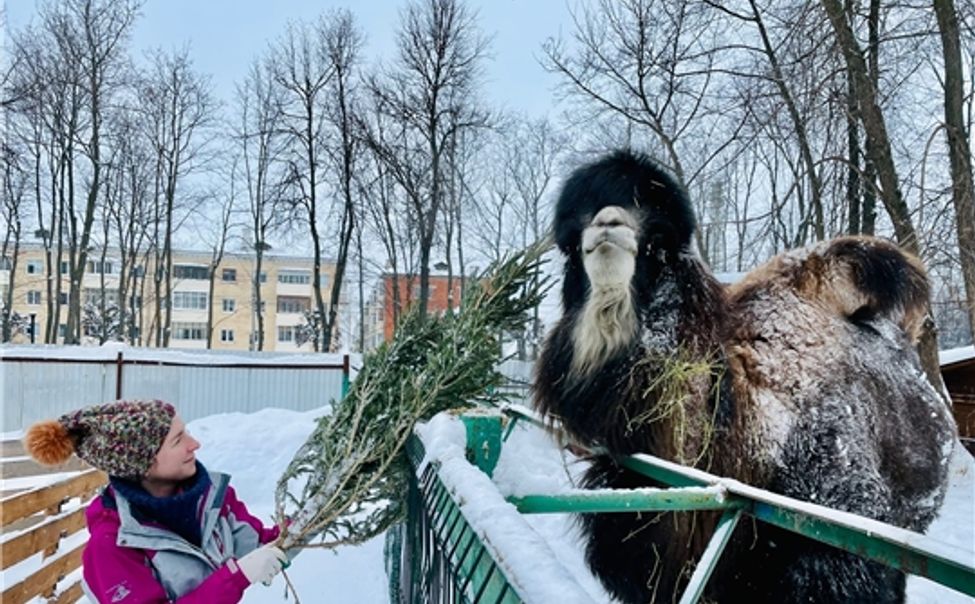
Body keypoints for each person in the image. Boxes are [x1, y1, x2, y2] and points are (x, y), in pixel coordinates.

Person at [24, 399, 288, 603]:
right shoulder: (112, 545)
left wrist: (316, 512)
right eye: (177, 440)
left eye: (186, 432)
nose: (194, 444)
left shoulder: (212, 499)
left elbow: (261, 547)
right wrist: (235, 578)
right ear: (142, 465)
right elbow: (241, 571)